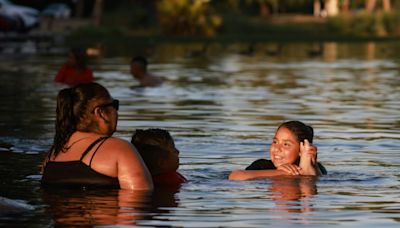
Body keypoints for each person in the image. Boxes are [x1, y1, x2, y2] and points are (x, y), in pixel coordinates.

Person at [41, 82, 153, 190]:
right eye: (114, 105)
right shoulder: (120, 149)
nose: (117, 111)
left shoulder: (53, 153)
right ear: (100, 113)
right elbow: (139, 200)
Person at [229, 121, 327, 181]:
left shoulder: (318, 168)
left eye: (286, 144)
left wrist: (308, 164)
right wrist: (282, 172)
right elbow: (235, 176)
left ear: (301, 150)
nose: (276, 148)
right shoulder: (262, 165)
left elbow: (309, 193)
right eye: (275, 141)